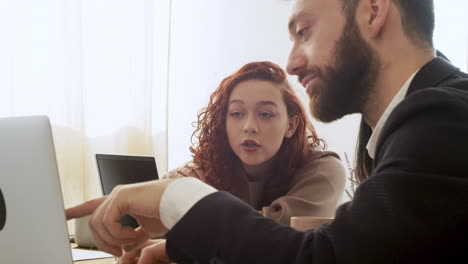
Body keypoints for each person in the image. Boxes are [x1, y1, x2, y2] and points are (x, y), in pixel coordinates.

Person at [66, 0, 468, 263]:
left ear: (373, 11)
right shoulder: (419, 119)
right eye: (236, 114)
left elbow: (318, 259)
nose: (292, 63)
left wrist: (176, 198)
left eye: (304, 32)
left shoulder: (441, 120)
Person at [117, 61, 346, 263]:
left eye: (265, 114)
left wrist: (181, 245)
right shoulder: (206, 168)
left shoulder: (323, 171)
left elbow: (279, 238)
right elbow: (167, 205)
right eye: (236, 113)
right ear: (222, 123)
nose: (249, 126)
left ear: (291, 125)